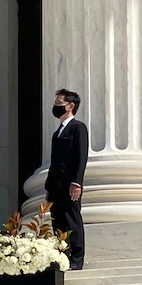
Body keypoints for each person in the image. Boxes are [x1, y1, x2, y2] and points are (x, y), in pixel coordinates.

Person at [45, 88, 88, 269]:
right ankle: (64, 256)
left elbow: (81, 156)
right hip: (56, 186)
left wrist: (76, 182)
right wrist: (48, 187)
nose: (55, 107)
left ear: (70, 106)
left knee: (72, 220)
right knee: (58, 221)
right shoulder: (57, 133)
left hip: (70, 184)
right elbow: (54, 162)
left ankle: (76, 259)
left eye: (59, 104)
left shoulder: (78, 128)